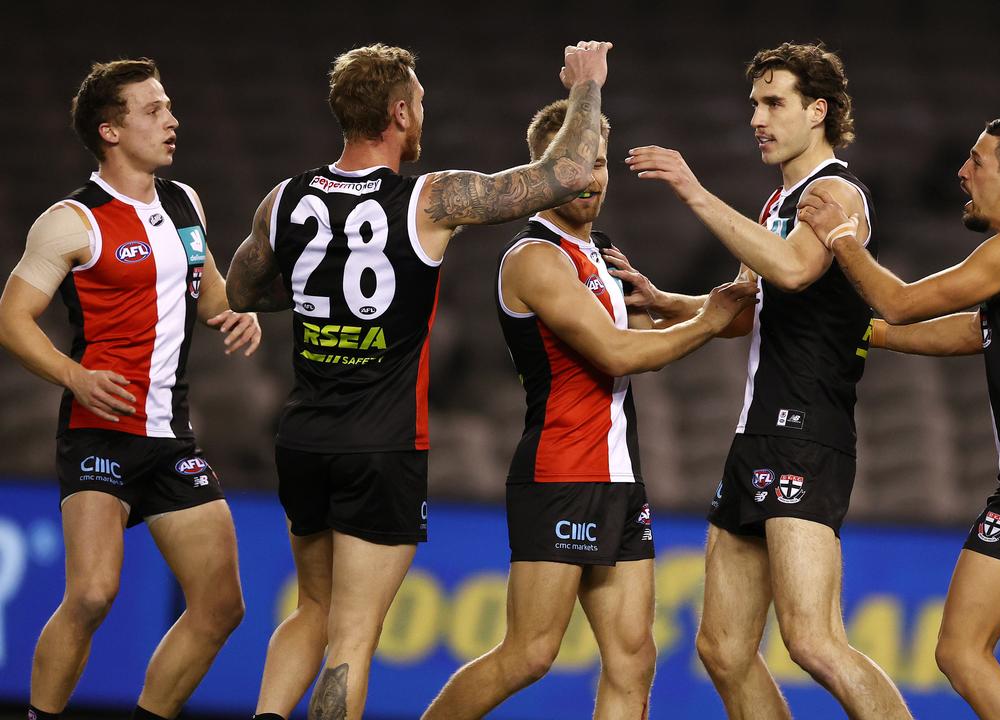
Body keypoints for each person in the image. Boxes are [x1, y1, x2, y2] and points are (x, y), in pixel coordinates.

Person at [225, 41, 613, 720]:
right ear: (399, 112)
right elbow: (568, 171)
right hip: (382, 446)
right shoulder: (429, 201)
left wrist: (327, 290)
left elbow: (244, 288)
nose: (425, 113)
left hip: (304, 437)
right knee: (353, 633)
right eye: (422, 102)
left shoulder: (284, 198)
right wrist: (586, 86)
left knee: (311, 608)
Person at [421, 100, 756, 720]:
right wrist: (709, 317)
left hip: (618, 475)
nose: (593, 178)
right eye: (576, 165)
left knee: (633, 658)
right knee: (529, 653)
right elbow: (619, 352)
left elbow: (649, 330)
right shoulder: (534, 258)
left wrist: (702, 304)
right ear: (545, 170)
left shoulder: (601, 252)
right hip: (561, 473)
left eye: (600, 163)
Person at [623, 42, 911, 719]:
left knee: (812, 640)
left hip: (807, 432)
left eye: (773, 101)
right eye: (755, 101)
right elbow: (746, 307)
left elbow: (792, 271)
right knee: (722, 648)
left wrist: (694, 191)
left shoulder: (835, 192)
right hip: (757, 435)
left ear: (818, 111)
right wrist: (672, 302)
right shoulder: (777, 201)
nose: (757, 115)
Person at [798, 115, 1000, 720]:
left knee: (961, 652)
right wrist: (873, 336)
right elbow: (978, 333)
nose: (962, 172)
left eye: (977, 161)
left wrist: (841, 237)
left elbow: (901, 300)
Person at [0, 59, 260, 720]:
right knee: (91, 595)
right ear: (110, 131)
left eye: (168, 106)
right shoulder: (72, 220)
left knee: (222, 605)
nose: (171, 120)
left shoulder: (185, 202)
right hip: (99, 432)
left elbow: (206, 295)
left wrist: (238, 308)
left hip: (171, 438)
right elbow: (12, 317)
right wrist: (73, 374)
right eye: (153, 110)